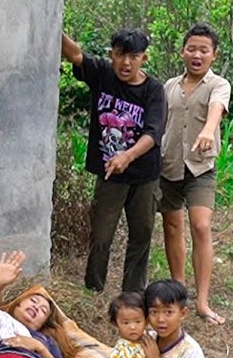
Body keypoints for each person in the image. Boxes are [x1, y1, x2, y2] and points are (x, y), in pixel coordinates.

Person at [61, 29, 166, 293]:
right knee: (101, 235)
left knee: (141, 236)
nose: (126, 63)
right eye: (119, 55)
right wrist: (47, 19)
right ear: (111, 55)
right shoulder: (103, 75)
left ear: (144, 58)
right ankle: (93, 289)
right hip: (110, 175)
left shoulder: (154, 90)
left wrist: (127, 155)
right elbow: (74, 54)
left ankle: (132, 294)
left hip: (144, 175)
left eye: (133, 56)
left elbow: (153, 133)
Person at [159, 23, 231, 325]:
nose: (197, 55)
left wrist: (207, 130)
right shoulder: (169, 86)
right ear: (182, 52)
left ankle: (202, 301)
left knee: (200, 226)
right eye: (192, 49)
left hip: (201, 166)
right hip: (169, 165)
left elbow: (216, 109)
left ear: (214, 55)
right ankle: (179, 292)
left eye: (204, 50)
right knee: (172, 226)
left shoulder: (219, 85)